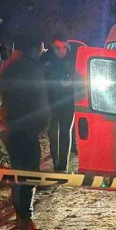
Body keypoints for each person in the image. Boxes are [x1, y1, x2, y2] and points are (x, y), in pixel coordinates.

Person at [0, 35, 50, 230]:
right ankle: (25, 218)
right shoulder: (32, 68)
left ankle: (20, 216)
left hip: (10, 128)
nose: (42, 54)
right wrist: (43, 122)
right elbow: (40, 98)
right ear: (35, 49)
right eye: (41, 50)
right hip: (27, 129)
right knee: (29, 173)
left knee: (18, 171)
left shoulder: (9, 66)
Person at [41, 35, 75, 172]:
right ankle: (56, 164)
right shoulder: (45, 59)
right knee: (53, 134)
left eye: (64, 47)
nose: (62, 51)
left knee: (65, 132)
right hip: (51, 102)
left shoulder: (72, 58)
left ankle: (63, 166)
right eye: (58, 47)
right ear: (53, 47)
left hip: (68, 101)